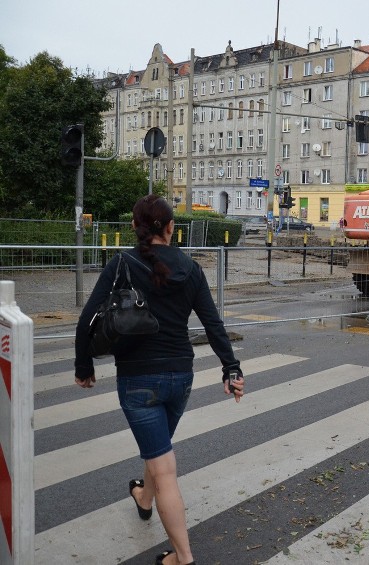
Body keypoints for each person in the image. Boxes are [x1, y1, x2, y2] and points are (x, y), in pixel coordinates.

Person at [74, 195, 244, 565]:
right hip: (181, 377)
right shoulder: (191, 268)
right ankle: (144, 498)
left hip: (139, 381)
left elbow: (88, 317)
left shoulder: (122, 262)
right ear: (171, 229)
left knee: (164, 467)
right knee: (159, 449)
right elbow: (213, 325)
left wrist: (83, 365)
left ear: (135, 228)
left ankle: (183, 558)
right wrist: (232, 369)